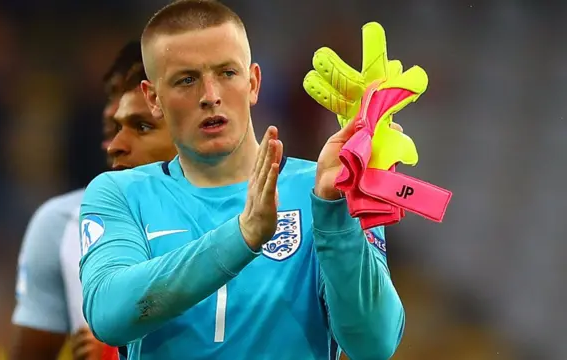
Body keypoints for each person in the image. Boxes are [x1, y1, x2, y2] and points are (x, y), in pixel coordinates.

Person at [79, 1, 405, 359]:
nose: (210, 95)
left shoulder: (323, 189)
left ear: (253, 82)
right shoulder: (122, 194)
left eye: (227, 73)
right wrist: (243, 235)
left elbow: (375, 345)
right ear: (153, 98)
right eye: (187, 79)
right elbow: (109, 315)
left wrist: (334, 212)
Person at [10, 40, 176, 360]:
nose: (111, 111)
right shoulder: (62, 225)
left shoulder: (246, 220)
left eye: (141, 121)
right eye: (112, 94)